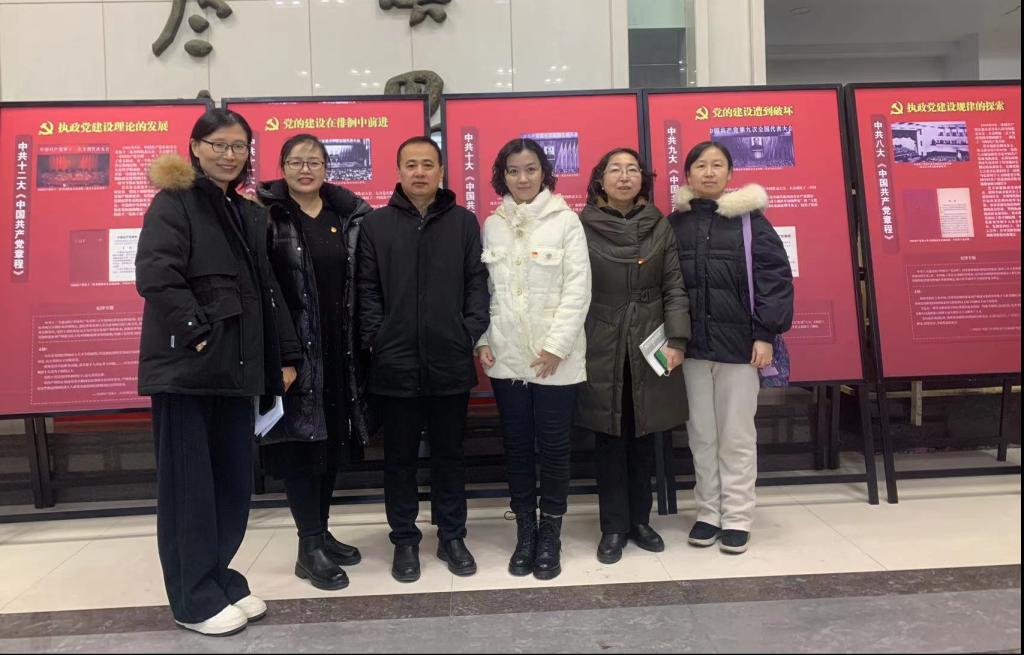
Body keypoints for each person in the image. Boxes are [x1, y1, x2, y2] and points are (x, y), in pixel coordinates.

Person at [136, 109, 301, 636]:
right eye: (219, 145)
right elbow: (156, 274)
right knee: (190, 489)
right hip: (188, 371)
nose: (230, 155)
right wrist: (198, 333)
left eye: (238, 147)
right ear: (195, 146)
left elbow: (266, 292)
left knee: (230, 485)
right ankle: (192, 598)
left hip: (237, 369)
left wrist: (287, 355)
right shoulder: (175, 202)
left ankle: (218, 576)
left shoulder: (247, 212)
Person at [357, 136, 489, 583]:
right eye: (411, 164)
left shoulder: (463, 222)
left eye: (427, 164)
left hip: (449, 360)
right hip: (394, 363)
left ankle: (452, 536)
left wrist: (466, 332)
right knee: (399, 458)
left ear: (441, 171)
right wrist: (377, 338)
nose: (419, 172)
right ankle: (404, 539)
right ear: (398, 171)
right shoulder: (376, 225)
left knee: (450, 455)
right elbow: (367, 289)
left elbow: (476, 284)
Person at [257, 134, 374, 590]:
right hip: (294, 353)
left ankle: (321, 533)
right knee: (301, 448)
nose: (305, 169)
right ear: (282, 167)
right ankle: (308, 548)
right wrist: (282, 354)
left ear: (326, 168)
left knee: (329, 445)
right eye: (296, 162)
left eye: (314, 162)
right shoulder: (266, 215)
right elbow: (263, 291)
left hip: (340, 352)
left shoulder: (347, 215)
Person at [667, 141, 793, 555]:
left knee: (736, 436)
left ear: (729, 173)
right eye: (700, 165)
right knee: (701, 435)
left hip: (740, 348)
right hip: (692, 350)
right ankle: (708, 513)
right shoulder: (675, 224)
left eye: (717, 165)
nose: (708, 172)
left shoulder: (750, 222)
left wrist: (765, 334)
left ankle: (737, 516)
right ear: (688, 174)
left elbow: (774, 279)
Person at [475, 138, 591, 580]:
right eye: (513, 171)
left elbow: (578, 288)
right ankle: (525, 531)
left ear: (544, 173)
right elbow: (484, 290)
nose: (522, 179)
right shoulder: (493, 224)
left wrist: (557, 346)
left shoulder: (566, 221)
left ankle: (551, 534)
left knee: (555, 447)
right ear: (501, 176)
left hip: (556, 357)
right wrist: (482, 340)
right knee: (518, 445)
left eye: (530, 169)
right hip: (506, 356)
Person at [576, 147, 690, 565]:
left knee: (646, 434)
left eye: (632, 170)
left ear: (643, 179)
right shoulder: (581, 225)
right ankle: (612, 526)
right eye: (615, 170)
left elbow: (673, 285)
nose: (624, 177)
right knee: (609, 436)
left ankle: (640, 520)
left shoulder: (660, 224)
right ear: (600, 179)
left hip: (650, 337)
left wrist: (677, 339)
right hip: (600, 337)